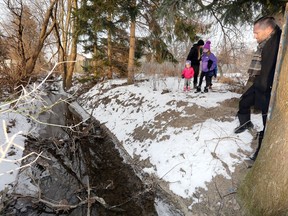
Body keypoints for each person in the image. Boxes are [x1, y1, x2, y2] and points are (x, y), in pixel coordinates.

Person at [233, 16, 282, 161]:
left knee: (266, 120)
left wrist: (264, 89)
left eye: (256, 32)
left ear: (268, 30)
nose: (254, 36)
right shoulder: (266, 41)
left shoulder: (277, 41)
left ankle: (260, 152)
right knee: (244, 101)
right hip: (259, 81)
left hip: (268, 87)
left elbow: (270, 69)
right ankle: (246, 123)